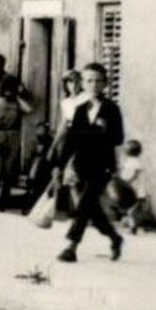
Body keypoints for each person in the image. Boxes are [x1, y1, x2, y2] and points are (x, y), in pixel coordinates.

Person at [52, 63, 126, 263]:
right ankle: (115, 237)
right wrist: (60, 165)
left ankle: (71, 247)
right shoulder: (79, 108)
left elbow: (118, 138)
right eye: (89, 81)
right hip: (81, 164)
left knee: (84, 204)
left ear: (105, 84)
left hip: (102, 165)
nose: (93, 85)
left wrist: (99, 133)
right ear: (82, 83)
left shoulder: (112, 109)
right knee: (92, 209)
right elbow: (71, 140)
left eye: (98, 81)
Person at [0, 78, 31, 211]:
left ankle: (3, 201)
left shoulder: (17, 103)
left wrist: (18, 97)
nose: (9, 93)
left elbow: (29, 109)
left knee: (8, 171)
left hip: (12, 136)